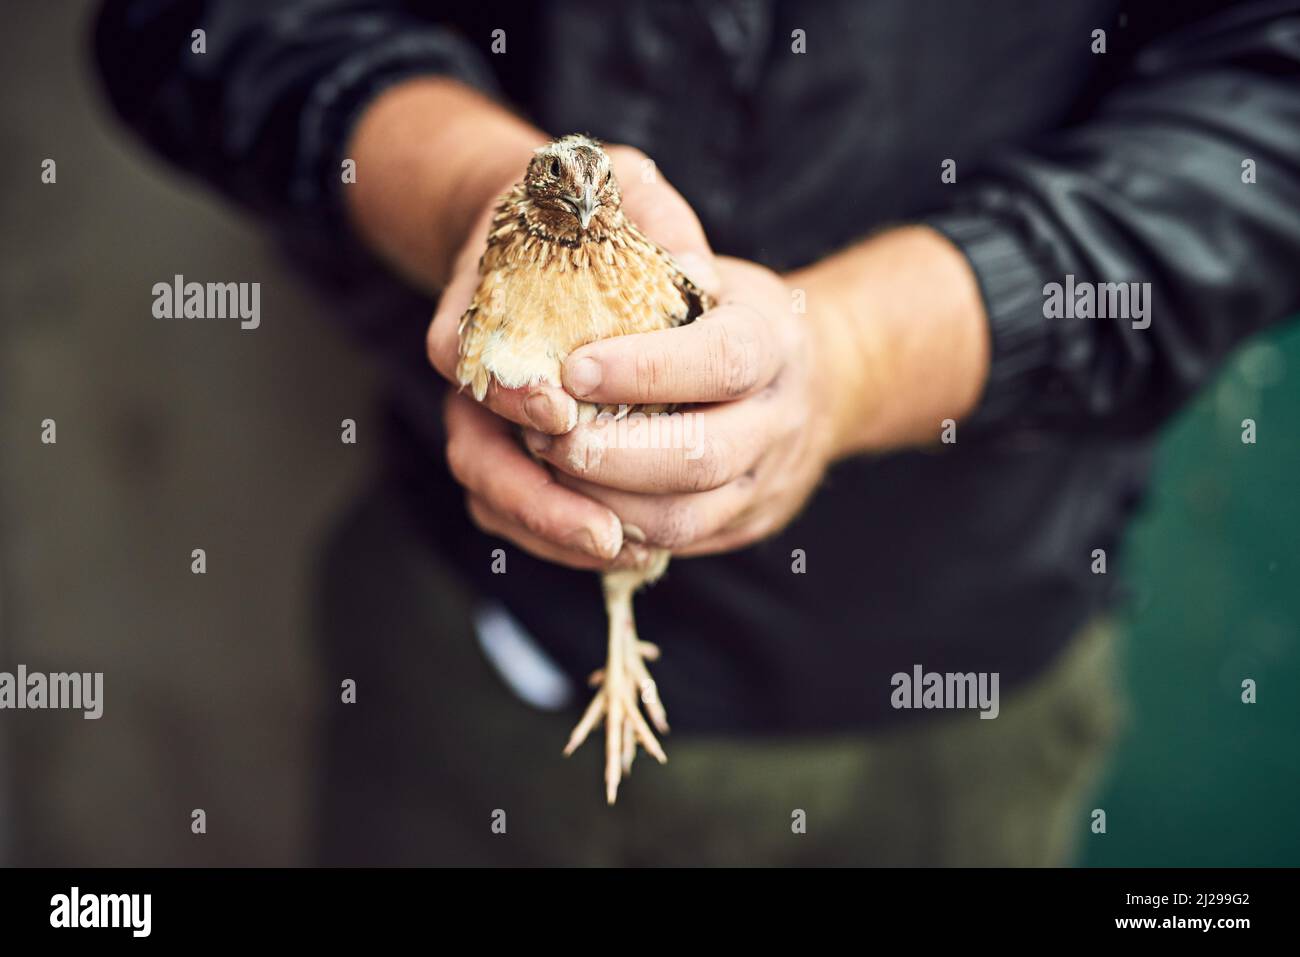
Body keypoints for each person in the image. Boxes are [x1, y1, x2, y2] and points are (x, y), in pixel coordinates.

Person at [95, 0, 1300, 865]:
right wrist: (464, 184)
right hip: (488, 640)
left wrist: (858, 354)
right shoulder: (536, 264)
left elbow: (1269, 118)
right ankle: (613, 651)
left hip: (961, 680)